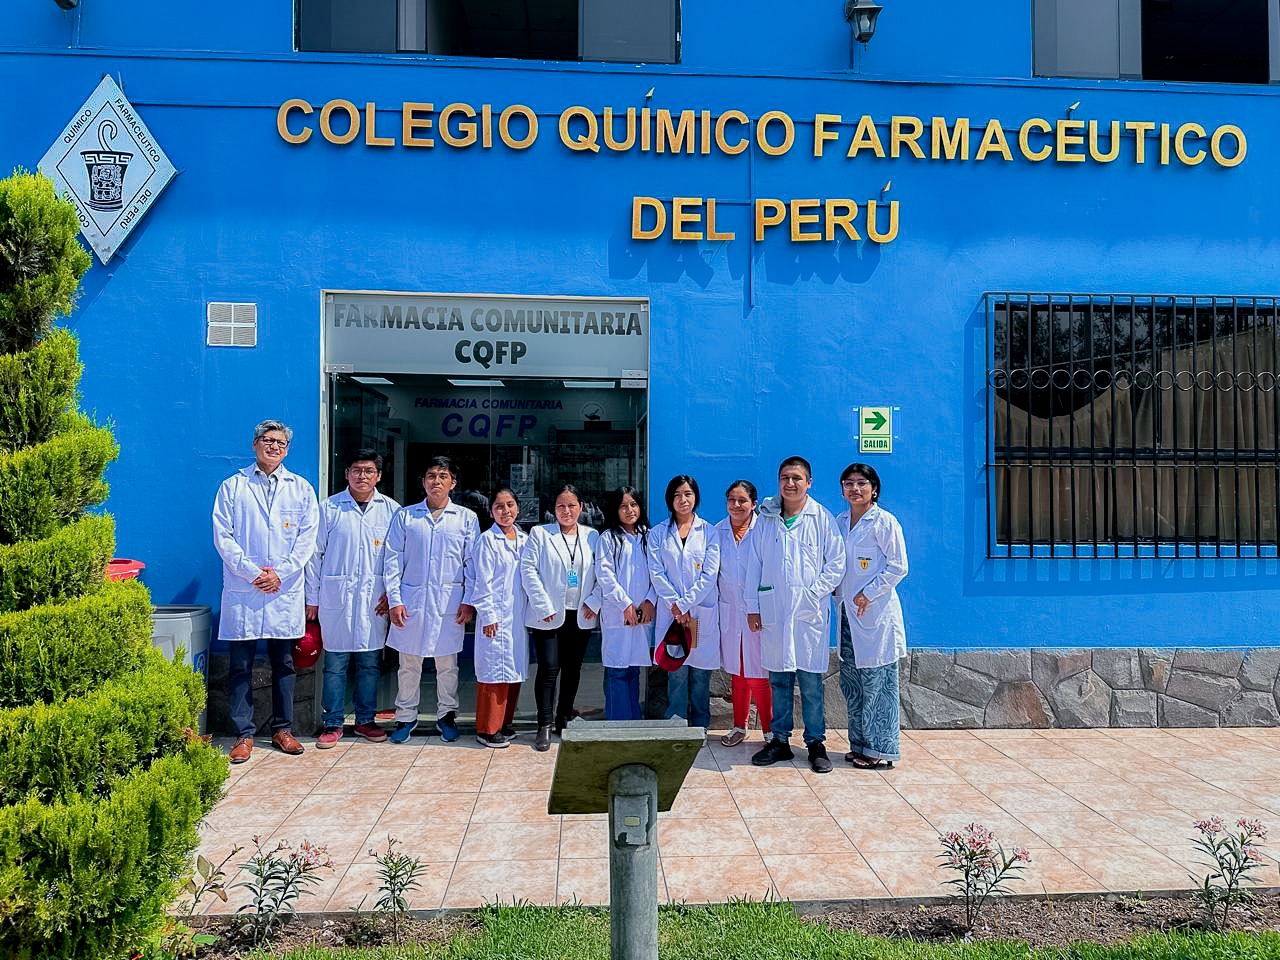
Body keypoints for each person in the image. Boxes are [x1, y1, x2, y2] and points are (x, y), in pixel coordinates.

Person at [212, 419, 319, 763]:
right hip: (246, 587)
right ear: (255, 444)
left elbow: (307, 539)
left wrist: (281, 574)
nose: (274, 446)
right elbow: (223, 537)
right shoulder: (232, 486)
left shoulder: (300, 488)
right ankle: (243, 735)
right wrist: (253, 573)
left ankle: (282, 729)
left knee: (284, 662)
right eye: (268, 440)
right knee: (240, 665)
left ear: (287, 449)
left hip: (282, 589)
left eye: (280, 443)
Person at [746, 456, 846, 774]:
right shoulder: (766, 519)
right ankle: (780, 741)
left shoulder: (822, 518)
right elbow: (754, 564)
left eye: (797, 478)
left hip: (808, 613)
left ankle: (816, 743)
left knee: (811, 683)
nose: (790, 483)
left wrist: (814, 591)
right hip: (775, 612)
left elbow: (837, 563)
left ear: (809, 482)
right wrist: (752, 606)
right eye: (785, 477)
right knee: (778, 680)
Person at [303, 449, 399, 748]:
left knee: (370, 664)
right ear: (346, 474)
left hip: (374, 601)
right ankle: (332, 723)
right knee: (335, 664)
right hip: (336, 599)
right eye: (356, 470)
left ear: (379, 476)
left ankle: (365, 721)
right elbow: (313, 556)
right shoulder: (329, 509)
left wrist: (392, 594)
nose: (362, 476)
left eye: (369, 471)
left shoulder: (392, 511)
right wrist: (312, 598)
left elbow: (398, 558)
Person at [383, 456, 478, 744]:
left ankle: (446, 715)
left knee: (447, 665)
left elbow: (472, 563)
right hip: (411, 600)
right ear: (423, 481)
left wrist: (469, 600)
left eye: (443, 476)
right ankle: (405, 716)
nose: (436, 481)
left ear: (453, 482)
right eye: (431, 475)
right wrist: (395, 599)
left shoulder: (465, 518)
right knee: (409, 664)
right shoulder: (406, 516)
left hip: (449, 601)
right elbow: (392, 559)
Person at [836, 462, 908, 770]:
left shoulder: (885, 522)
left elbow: (898, 566)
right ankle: (860, 744)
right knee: (853, 681)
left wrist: (869, 593)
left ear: (873, 489)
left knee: (878, 682)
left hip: (875, 613)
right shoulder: (839, 522)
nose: (855, 488)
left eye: (861, 483)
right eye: (849, 483)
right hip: (847, 614)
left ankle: (881, 749)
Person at [520, 484, 601, 751]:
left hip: (580, 613)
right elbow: (528, 570)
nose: (567, 511)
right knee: (548, 669)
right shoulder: (540, 534)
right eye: (561, 506)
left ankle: (563, 717)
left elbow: (605, 573)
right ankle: (543, 724)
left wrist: (594, 601)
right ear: (553, 509)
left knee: (573, 669)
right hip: (549, 614)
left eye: (572, 506)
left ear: (581, 507)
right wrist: (543, 606)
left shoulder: (592, 537)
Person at [647, 475, 720, 729]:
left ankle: (700, 726)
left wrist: (685, 604)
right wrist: (676, 606)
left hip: (699, 613)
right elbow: (656, 573)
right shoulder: (657, 534)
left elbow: (710, 574)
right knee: (676, 673)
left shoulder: (709, 532)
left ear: (695, 497)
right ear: (670, 499)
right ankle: (676, 726)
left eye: (688, 494)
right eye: (677, 494)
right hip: (673, 614)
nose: (683, 499)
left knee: (700, 675)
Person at [468, 488, 529, 748]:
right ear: (491, 511)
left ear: (518, 508)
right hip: (494, 617)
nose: (506, 511)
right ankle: (487, 728)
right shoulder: (486, 541)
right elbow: (481, 583)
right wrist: (489, 615)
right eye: (499, 507)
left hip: (517, 618)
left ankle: (505, 722)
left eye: (510, 505)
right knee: (493, 673)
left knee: (513, 671)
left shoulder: (526, 539)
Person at [715, 480, 772, 747]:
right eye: (731, 500)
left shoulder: (765, 530)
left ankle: (770, 730)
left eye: (742, 501)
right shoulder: (717, 532)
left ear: (754, 504)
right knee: (738, 673)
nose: (736, 506)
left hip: (758, 612)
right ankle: (739, 726)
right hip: (729, 613)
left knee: (758, 673)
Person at [594, 486, 657, 720]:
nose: (629, 510)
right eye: (623, 506)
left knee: (634, 671)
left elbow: (658, 574)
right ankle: (618, 725)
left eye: (633, 504)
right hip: (618, 615)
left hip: (642, 615)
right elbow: (605, 576)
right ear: (615, 510)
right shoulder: (608, 539)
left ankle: (633, 722)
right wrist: (626, 605)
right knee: (618, 672)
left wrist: (650, 601)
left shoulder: (649, 537)